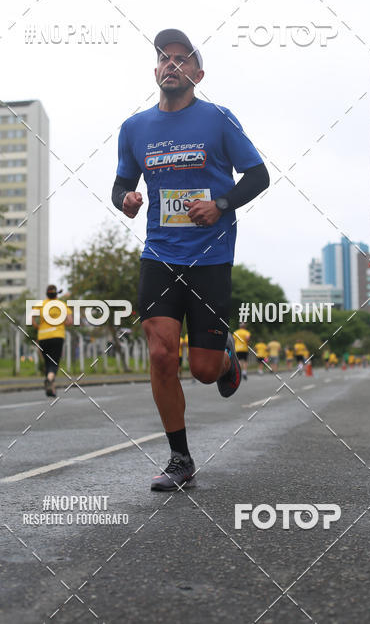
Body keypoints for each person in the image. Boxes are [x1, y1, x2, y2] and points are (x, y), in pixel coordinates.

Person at [112, 29, 269, 490]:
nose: (172, 65)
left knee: (201, 370)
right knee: (161, 354)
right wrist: (126, 199)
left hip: (211, 257)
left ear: (198, 74)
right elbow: (120, 183)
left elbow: (258, 175)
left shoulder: (219, 120)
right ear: (156, 71)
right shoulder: (135, 128)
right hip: (159, 255)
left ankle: (225, 361)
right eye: (165, 58)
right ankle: (180, 459)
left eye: (182, 59)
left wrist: (220, 204)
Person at [32, 285, 72, 397]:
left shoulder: (41, 305)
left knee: (47, 363)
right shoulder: (62, 305)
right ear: (56, 294)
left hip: (43, 337)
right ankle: (49, 380)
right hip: (57, 336)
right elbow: (69, 321)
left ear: (47, 294)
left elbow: (31, 318)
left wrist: (38, 327)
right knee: (54, 363)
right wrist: (60, 321)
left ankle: (51, 389)